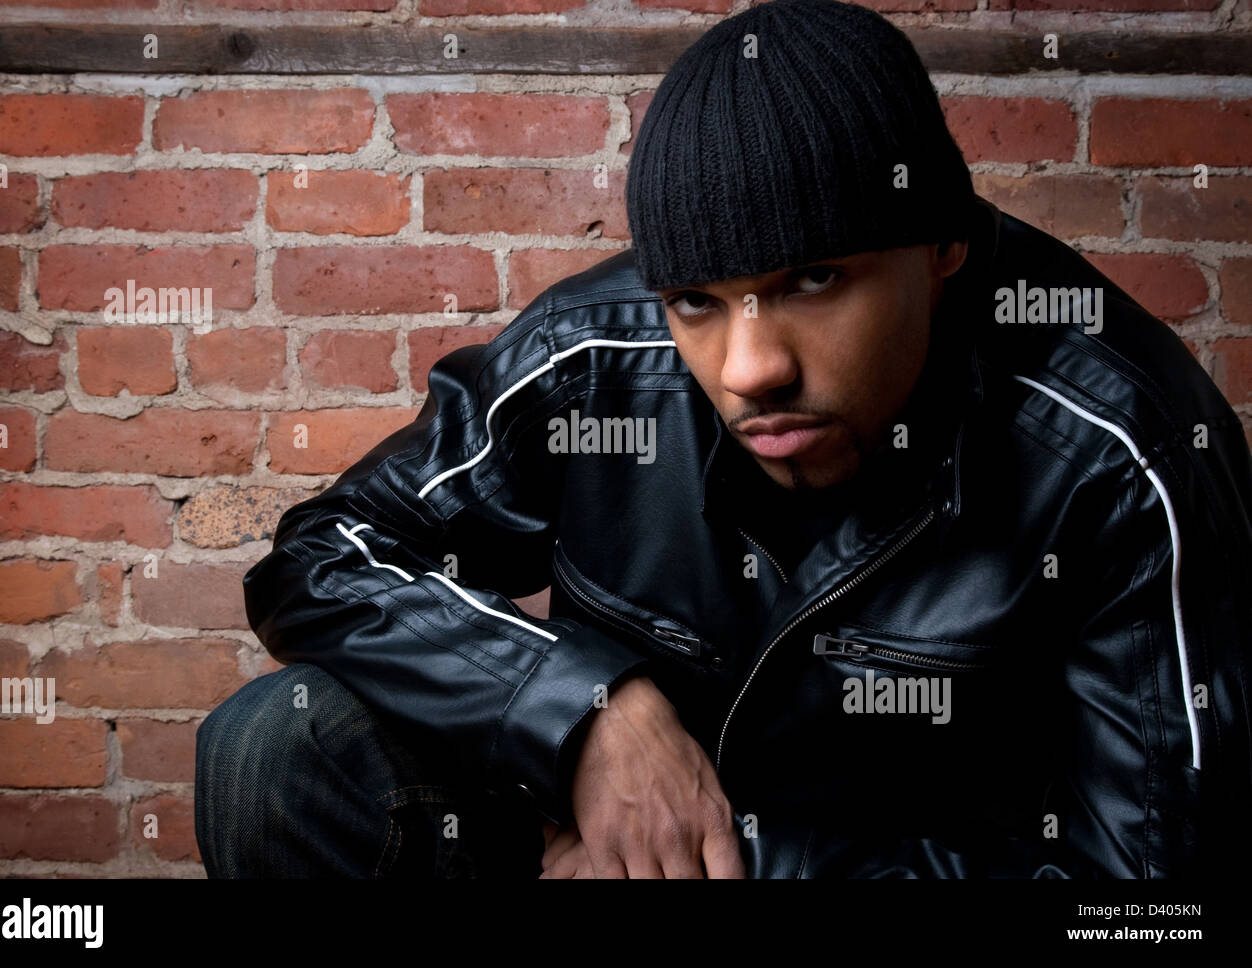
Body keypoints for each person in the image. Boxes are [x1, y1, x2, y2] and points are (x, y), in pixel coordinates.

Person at [195, 0, 1252, 878]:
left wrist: (734, 861)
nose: (749, 368)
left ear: (941, 245)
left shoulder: (1124, 453)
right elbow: (322, 555)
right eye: (698, 300)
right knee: (280, 746)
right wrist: (582, 709)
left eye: (813, 281)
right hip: (586, 840)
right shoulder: (601, 362)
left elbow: (1149, 893)